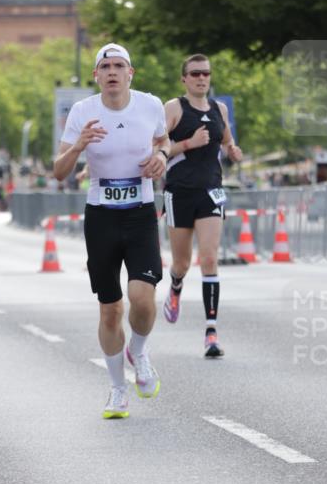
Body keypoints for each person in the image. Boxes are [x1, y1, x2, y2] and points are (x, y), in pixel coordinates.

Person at [54, 43, 170, 419]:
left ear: (130, 73)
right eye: (105, 67)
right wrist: (79, 146)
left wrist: (162, 156)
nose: (112, 72)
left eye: (119, 66)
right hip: (101, 216)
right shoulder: (83, 111)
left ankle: (139, 349)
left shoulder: (150, 105)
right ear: (96, 75)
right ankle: (118, 389)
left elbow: (163, 139)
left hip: (140, 213)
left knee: (143, 299)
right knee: (110, 310)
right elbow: (58, 170)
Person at [163, 53, 243, 358]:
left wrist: (233, 150)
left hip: (211, 191)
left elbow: (227, 141)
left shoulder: (219, 109)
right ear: (184, 78)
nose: (201, 78)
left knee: (209, 258)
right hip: (179, 192)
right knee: (182, 263)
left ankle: (211, 332)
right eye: (195, 73)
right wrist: (188, 143)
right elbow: (156, 149)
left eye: (205, 73)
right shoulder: (173, 108)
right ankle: (176, 285)